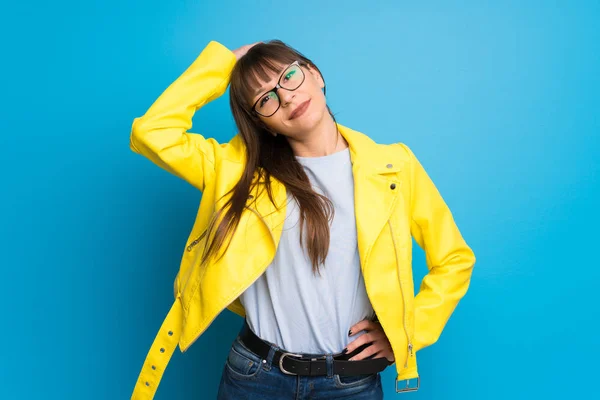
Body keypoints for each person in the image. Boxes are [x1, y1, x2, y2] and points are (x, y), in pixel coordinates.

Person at [129, 39, 476, 400]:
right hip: (254, 377)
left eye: (289, 77)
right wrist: (224, 63)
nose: (287, 98)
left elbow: (454, 259)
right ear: (265, 124)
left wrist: (407, 332)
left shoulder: (394, 167)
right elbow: (151, 133)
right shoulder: (236, 171)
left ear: (316, 75)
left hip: (349, 383)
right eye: (266, 99)